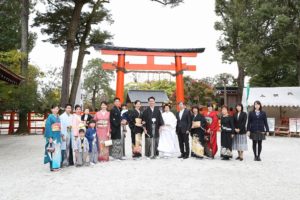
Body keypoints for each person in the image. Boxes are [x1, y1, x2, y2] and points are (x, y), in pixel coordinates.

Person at [44, 105, 62, 172]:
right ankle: (52, 167)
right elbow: (48, 127)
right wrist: (50, 137)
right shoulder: (50, 117)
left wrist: (61, 134)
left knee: (57, 152)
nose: (56, 110)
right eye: (54, 109)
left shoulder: (58, 117)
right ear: (51, 109)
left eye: (57, 109)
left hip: (57, 135)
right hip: (53, 136)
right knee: (52, 151)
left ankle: (57, 166)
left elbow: (59, 127)